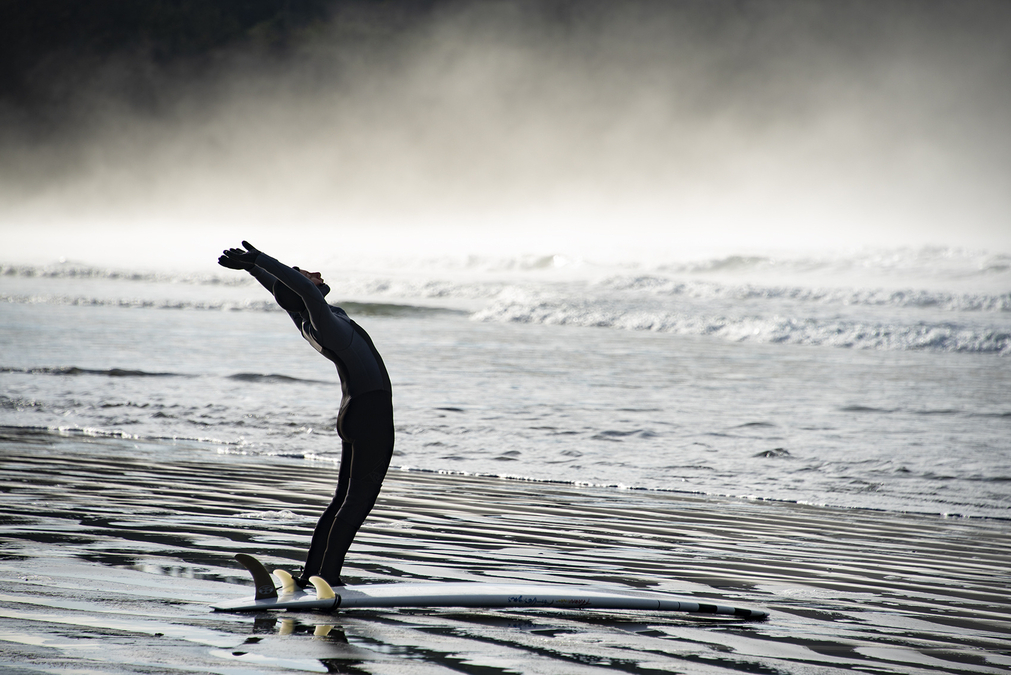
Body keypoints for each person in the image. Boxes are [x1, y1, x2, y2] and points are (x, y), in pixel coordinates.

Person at [218, 241, 394, 587]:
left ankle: (313, 573)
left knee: (343, 501)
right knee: (356, 504)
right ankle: (328, 576)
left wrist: (256, 269)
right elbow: (296, 289)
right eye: (306, 275)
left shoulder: (307, 318)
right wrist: (262, 260)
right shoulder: (321, 319)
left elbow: (286, 291)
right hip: (370, 415)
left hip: (356, 412)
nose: (315, 274)